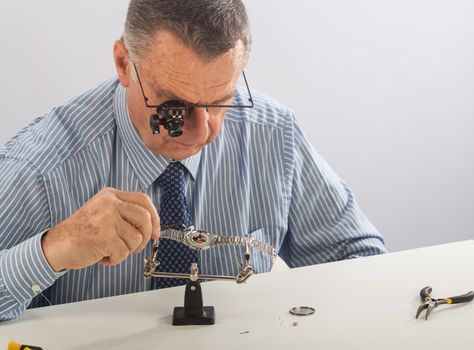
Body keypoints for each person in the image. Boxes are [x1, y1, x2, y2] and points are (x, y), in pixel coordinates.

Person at [0, 0, 386, 321]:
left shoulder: (273, 132)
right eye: (173, 107)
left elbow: (361, 260)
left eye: (220, 101)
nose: (202, 133)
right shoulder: (42, 167)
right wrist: (52, 249)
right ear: (123, 64)